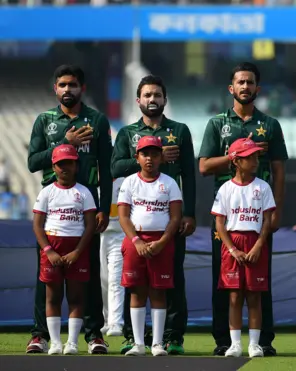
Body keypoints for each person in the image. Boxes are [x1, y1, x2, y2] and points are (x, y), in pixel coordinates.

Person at [199, 62, 288, 356]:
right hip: (226, 211)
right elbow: (204, 167)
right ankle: (224, 341)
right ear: (231, 88)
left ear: (257, 89)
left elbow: (278, 171)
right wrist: (237, 155)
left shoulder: (270, 125)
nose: (245, 87)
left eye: (250, 82)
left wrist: (276, 211)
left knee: (260, 281)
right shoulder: (216, 124)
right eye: (240, 82)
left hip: (258, 210)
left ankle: (263, 341)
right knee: (224, 280)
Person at [27, 64, 112, 354]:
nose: (67, 90)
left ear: (82, 88)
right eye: (62, 85)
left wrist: (104, 207)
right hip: (52, 206)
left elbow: (107, 168)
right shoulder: (45, 120)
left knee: (88, 272)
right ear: (55, 88)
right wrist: (66, 142)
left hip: (86, 205)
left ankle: (93, 334)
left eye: (72, 85)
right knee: (46, 275)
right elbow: (32, 163)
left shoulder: (97, 120)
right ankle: (39, 335)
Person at [111, 75, 196, 355]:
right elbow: (114, 168)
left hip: (170, 220)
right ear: (138, 100)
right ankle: (132, 337)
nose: (152, 99)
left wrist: (190, 213)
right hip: (137, 221)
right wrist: (150, 156)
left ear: (165, 99)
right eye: (147, 95)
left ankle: (172, 337)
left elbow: (189, 176)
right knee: (133, 282)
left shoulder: (180, 130)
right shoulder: (126, 133)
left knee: (172, 279)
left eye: (157, 95)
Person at [117, 135, 183, 357]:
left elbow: (175, 218)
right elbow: (123, 217)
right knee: (136, 292)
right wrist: (136, 241)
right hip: (135, 241)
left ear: (161, 157)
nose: (150, 159)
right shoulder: (129, 182)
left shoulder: (170, 183)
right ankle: (137, 343)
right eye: (145, 154)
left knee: (159, 292)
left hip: (162, 242)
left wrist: (162, 242)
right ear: (137, 157)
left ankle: (156, 343)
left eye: (155, 154)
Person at [211, 138, 276, 358]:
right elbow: (220, 222)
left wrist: (259, 244)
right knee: (234, 297)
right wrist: (231, 249)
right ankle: (235, 344)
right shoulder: (226, 188)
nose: (256, 160)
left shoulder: (263, 186)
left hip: (256, 242)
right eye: (250, 157)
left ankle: (255, 344)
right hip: (233, 244)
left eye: (256, 156)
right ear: (236, 161)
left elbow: (267, 220)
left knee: (255, 297)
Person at [33, 145, 97, 355]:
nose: (65, 168)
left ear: (76, 165)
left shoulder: (84, 192)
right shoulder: (47, 192)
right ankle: (55, 343)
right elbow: (37, 225)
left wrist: (77, 252)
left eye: (69, 163)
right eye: (61, 164)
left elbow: (89, 226)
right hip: (52, 247)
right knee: (52, 297)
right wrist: (49, 250)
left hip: (76, 248)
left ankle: (72, 343)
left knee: (76, 297)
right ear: (53, 167)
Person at [100, 177, 126, 337]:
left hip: (119, 235)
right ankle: (107, 320)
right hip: (99, 236)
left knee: (115, 280)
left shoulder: (124, 181)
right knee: (102, 280)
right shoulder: (92, 182)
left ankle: (116, 322)